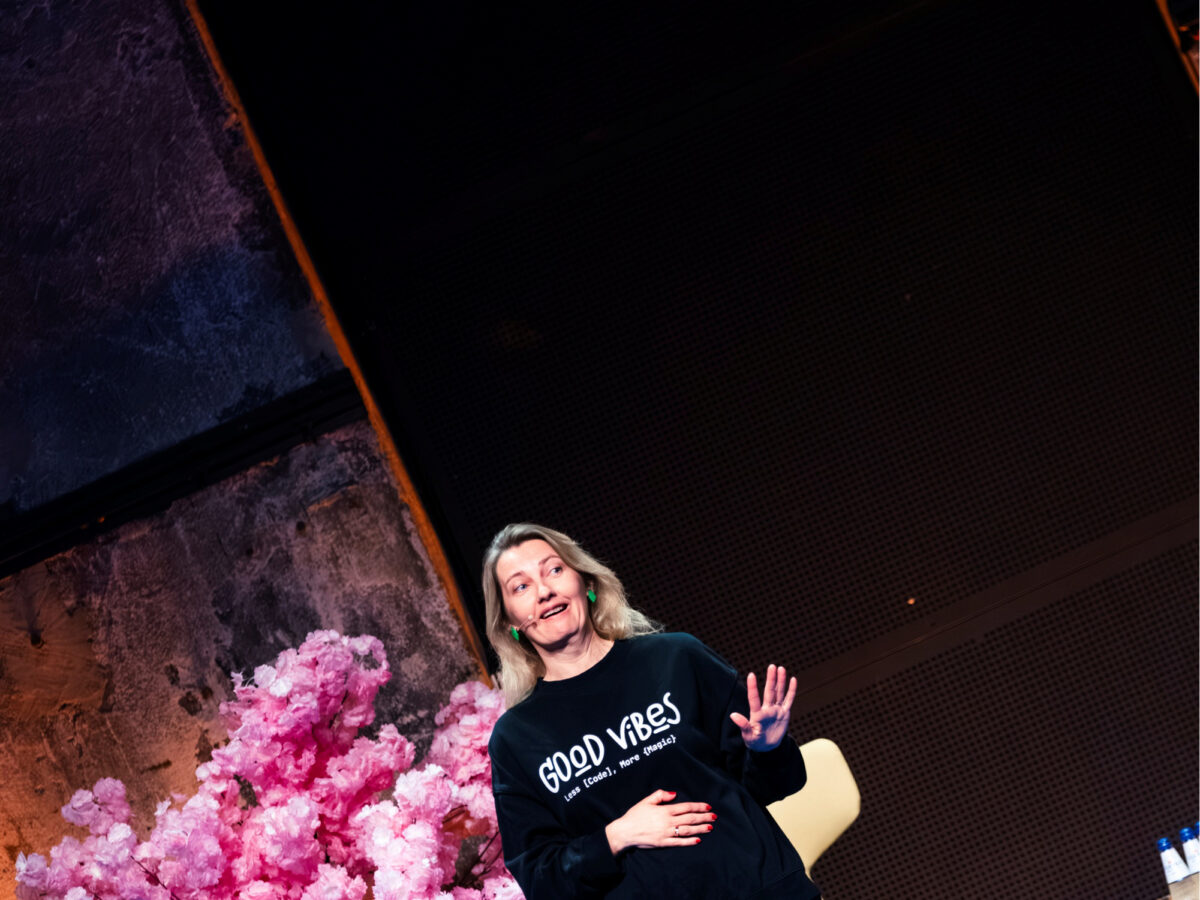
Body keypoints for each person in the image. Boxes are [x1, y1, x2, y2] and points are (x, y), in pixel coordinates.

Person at [484, 523, 822, 899]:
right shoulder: (515, 739)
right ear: (510, 623)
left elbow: (776, 786)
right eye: (521, 587)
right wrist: (615, 837)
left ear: (587, 583)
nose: (544, 591)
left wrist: (767, 750)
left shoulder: (677, 658)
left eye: (554, 570)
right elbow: (541, 880)